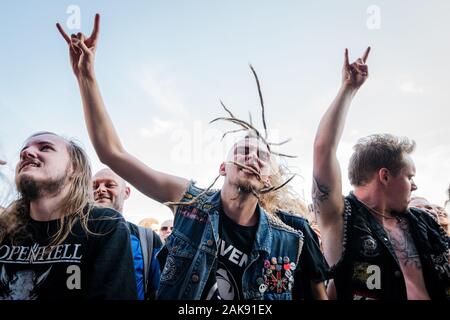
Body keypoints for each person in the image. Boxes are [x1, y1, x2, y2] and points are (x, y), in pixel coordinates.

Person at [57, 14, 326, 300]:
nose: (253, 159)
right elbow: (112, 152)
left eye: (262, 157)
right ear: (223, 167)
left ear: (268, 177)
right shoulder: (189, 203)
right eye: (243, 151)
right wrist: (86, 77)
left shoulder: (288, 239)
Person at [312, 47, 450, 300]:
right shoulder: (341, 219)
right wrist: (348, 90)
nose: (415, 186)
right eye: (410, 177)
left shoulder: (425, 222)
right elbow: (323, 149)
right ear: (385, 176)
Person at [0, 132, 137, 300]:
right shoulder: (4, 227)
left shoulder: (103, 224)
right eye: (24, 150)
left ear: (74, 167)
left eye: (45, 147)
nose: (26, 153)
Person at [93, 168, 162, 300]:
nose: (100, 189)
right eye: (94, 186)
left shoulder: (147, 239)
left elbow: (160, 290)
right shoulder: (72, 234)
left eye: (109, 185)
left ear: (126, 192)